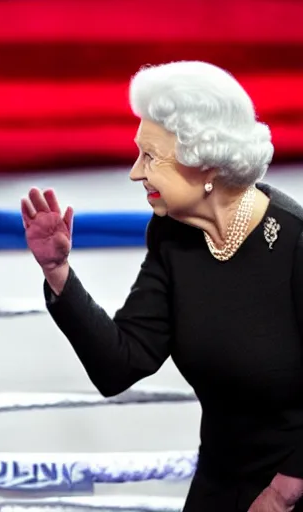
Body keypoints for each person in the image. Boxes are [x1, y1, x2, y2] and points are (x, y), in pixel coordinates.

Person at [21, 61, 303, 512]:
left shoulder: (295, 241)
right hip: (221, 484)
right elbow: (122, 362)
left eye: (150, 157)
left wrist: (285, 491)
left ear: (205, 160)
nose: (135, 172)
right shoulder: (172, 235)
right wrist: (58, 272)